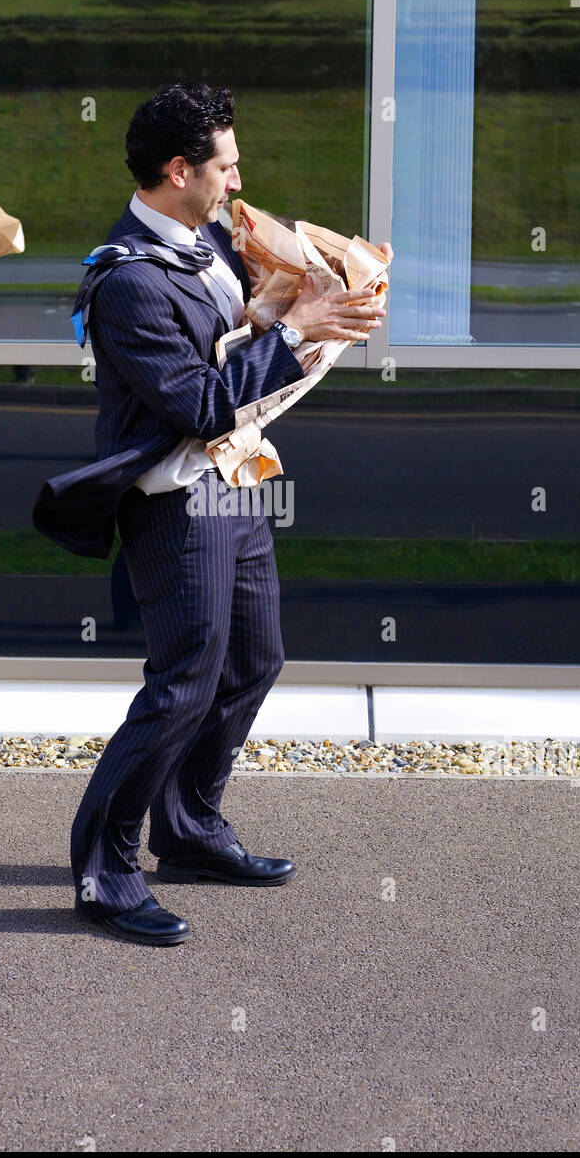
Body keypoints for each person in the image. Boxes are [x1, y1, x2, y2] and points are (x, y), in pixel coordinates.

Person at [44, 80, 390, 946]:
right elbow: (198, 402)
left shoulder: (206, 247)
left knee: (255, 660)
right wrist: (292, 326)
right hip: (174, 503)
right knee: (184, 681)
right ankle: (104, 867)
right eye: (225, 167)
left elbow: (233, 341)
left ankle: (189, 829)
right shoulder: (128, 282)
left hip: (233, 486)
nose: (236, 182)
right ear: (178, 169)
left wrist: (308, 302)